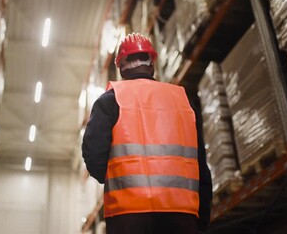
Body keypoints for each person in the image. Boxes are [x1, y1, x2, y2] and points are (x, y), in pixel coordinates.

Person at [82, 33, 212, 234]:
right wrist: (201, 220)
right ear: (152, 63)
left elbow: (93, 154)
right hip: (182, 216)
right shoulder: (183, 101)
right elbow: (200, 165)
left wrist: (115, 179)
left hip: (129, 217)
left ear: (121, 67)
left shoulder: (110, 100)